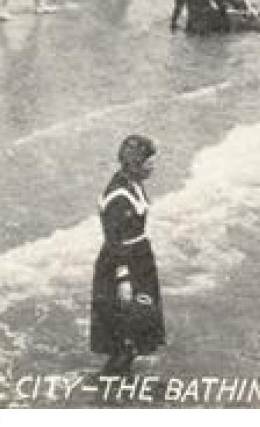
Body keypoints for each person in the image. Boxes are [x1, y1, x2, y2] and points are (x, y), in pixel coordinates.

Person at [92, 135, 164, 377]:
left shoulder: (131, 184)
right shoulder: (119, 195)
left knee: (136, 329)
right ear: (135, 163)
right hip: (123, 263)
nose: (152, 167)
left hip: (138, 258)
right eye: (149, 162)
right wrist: (124, 281)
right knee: (126, 336)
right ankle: (111, 385)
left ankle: (120, 381)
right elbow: (114, 241)